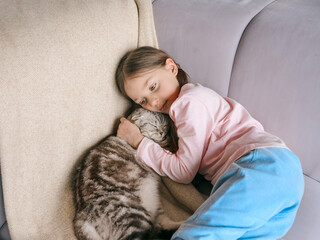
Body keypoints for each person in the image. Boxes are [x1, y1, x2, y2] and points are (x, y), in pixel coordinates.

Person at [115, 46, 304, 240]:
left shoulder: (188, 102)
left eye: (153, 86)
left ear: (171, 67)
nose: (153, 102)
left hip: (261, 166)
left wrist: (140, 142)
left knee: (196, 235)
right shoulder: (193, 100)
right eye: (143, 101)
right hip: (279, 176)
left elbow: (183, 171)